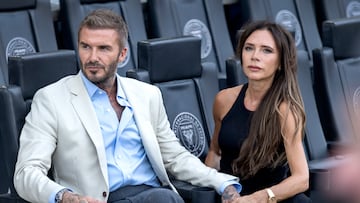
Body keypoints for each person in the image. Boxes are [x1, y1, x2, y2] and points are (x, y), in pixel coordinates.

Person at [13, 9, 241, 203]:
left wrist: (222, 183)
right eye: (86, 47)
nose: (92, 57)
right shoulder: (51, 99)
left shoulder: (147, 95)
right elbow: (26, 172)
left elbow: (175, 158)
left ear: (122, 54)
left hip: (151, 194)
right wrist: (64, 196)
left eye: (103, 48)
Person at [205, 20, 311, 203]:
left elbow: (302, 178)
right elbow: (216, 153)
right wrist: (220, 188)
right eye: (249, 48)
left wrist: (259, 198)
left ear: (280, 62)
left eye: (266, 50)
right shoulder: (224, 99)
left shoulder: (286, 110)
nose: (255, 56)